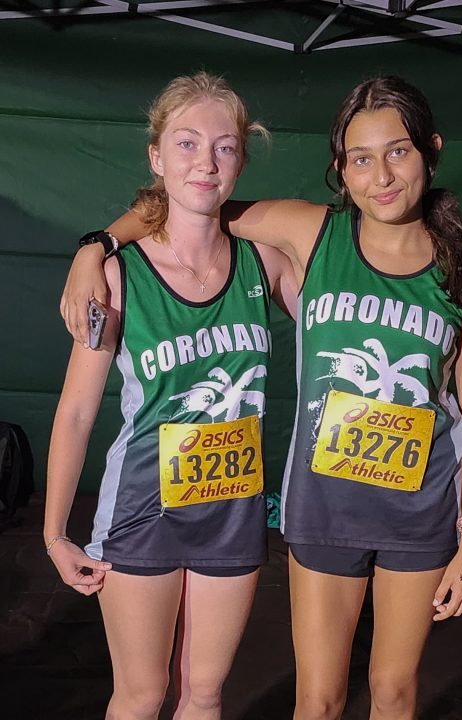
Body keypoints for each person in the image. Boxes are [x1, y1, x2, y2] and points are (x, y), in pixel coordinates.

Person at [60, 76, 462, 720]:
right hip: (321, 509)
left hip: (420, 509)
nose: (380, 175)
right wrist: (96, 246)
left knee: (392, 691)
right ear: (340, 169)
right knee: (311, 699)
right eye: (360, 158)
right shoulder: (312, 234)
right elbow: (195, 201)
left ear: (430, 151)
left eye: (398, 152)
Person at [44, 72, 296, 720]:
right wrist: (53, 532)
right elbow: (76, 412)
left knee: (204, 695)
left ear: (241, 161)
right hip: (142, 510)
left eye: (224, 147)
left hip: (233, 509)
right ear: (155, 157)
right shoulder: (115, 275)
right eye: (186, 144)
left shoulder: (265, 263)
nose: (205, 162)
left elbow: (346, 312)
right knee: (142, 694)